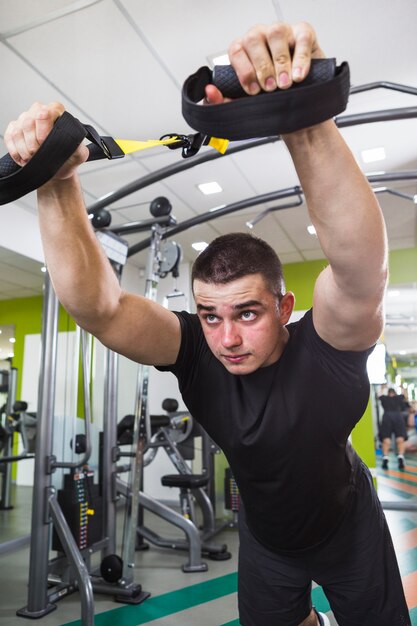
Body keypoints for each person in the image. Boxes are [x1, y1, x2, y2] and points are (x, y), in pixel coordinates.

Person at [4, 20, 411, 626]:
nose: (226, 338)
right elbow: (100, 308)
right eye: (210, 315)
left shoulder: (327, 346)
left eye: (247, 313)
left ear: (282, 307)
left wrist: (304, 118)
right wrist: (56, 181)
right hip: (268, 540)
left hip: (348, 527)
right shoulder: (195, 350)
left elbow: (358, 271)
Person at [378, 385, 409, 469]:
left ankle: (385, 458)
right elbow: (405, 395)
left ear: (388, 393)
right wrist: (402, 387)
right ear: (394, 393)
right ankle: (401, 457)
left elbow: (379, 395)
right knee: (400, 439)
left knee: (386, 439)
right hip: (398, 417)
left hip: (387, 417)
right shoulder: (398, 398)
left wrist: (382, 388)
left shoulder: (385, 398)